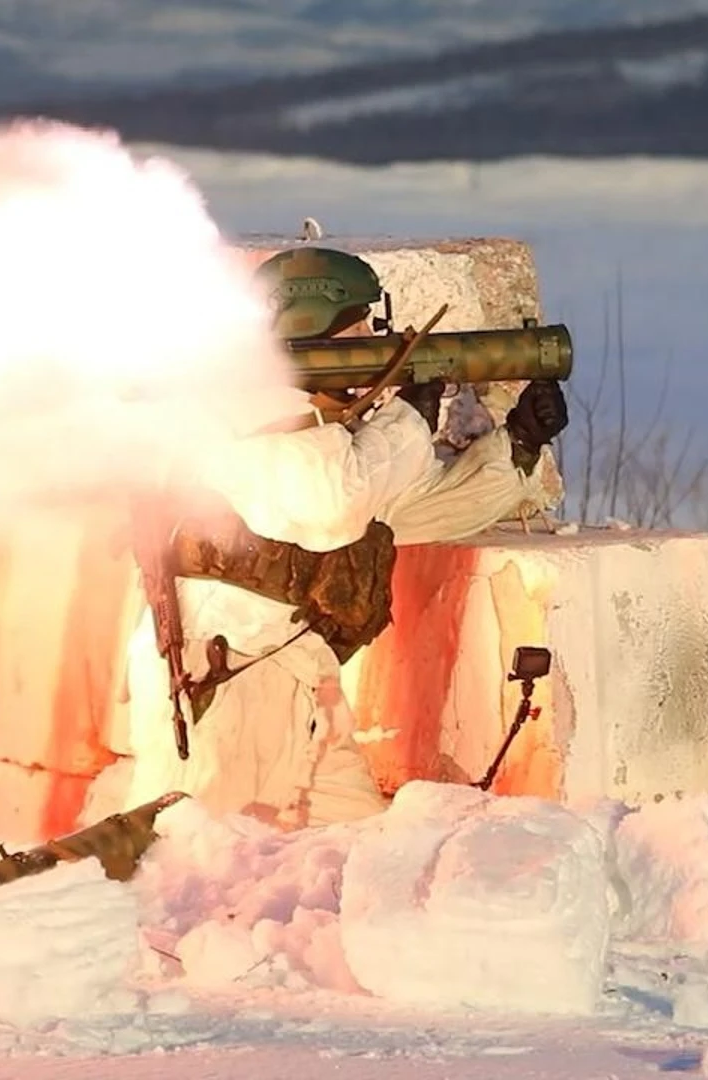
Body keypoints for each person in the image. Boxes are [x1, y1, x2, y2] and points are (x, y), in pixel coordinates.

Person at [90, 246, 568, 829]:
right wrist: (411, 418)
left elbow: (410, 508)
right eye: (361, 326)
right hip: (223, 691)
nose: (375, 339)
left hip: (299, 685)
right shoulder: (238, 420)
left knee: (354, 855)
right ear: (317, 328)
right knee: (198, 871)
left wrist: (517, 445)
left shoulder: (334, 441)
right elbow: (333, 504)